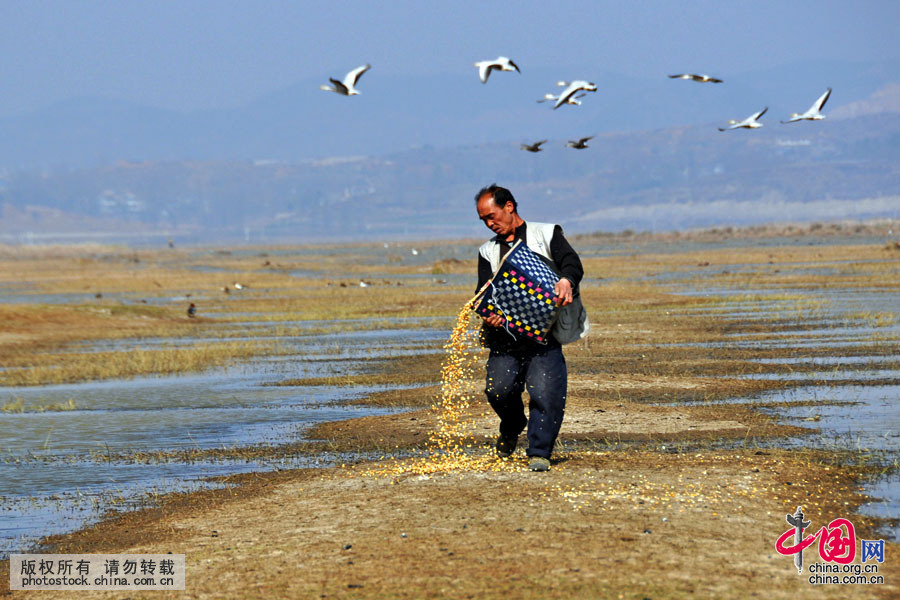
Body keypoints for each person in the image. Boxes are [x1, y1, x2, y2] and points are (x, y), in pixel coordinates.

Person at [474, 184, 585, 472]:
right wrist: (489, 315)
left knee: (545, 391)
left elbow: (571, 263)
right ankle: (512, 425)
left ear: (509, 206)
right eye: (484, 219)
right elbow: (482, 293)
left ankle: (539, 452)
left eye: (492, 215)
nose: (489, 223)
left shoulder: (545, 234)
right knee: (497, 390)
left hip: (544, 333)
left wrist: (566, 281)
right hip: (506, 337)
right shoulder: (488, 251)